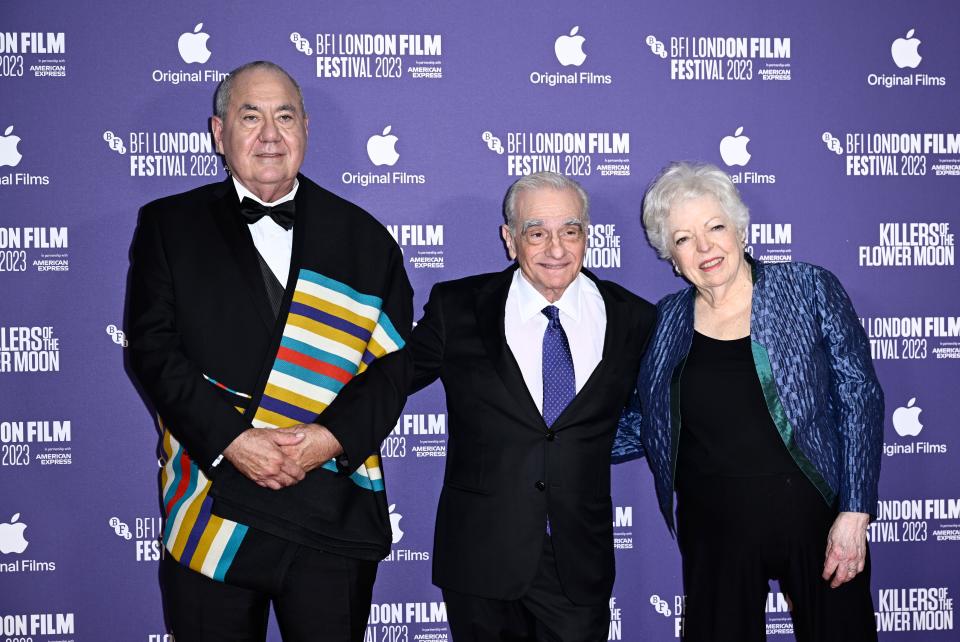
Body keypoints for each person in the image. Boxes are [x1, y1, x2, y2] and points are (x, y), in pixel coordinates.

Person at [128, 61, 412, 642]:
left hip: (328, 507)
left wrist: (326, 442)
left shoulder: (365, 237)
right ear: (218, 132)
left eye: (284, 116)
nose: (269, 134)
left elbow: (393, 370)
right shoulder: (169, 226)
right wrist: (233, 442)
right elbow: (154, 353)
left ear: (305, 128)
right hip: (212, 509)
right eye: (249, 116)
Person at [614, 161, 882, 641]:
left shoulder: (807, 287)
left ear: (739, 228)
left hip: (814, 515)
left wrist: (855, 510)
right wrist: (555, 437)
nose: (704, 247)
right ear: (671, 258)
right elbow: (646, 421)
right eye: (683, 238)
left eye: (715, 227)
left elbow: (858, 396)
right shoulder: (665, 321)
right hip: (714, 525)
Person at [409, 172, 656, 641]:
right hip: (481, 561)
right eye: (537, 232)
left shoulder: (635, 317)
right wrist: (319, 430)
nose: (556, 249)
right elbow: (389, 383)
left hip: (578, 563)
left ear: (588, 235)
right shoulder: (457, 306)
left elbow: (661, 415)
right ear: (510, 239)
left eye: (570, 230)